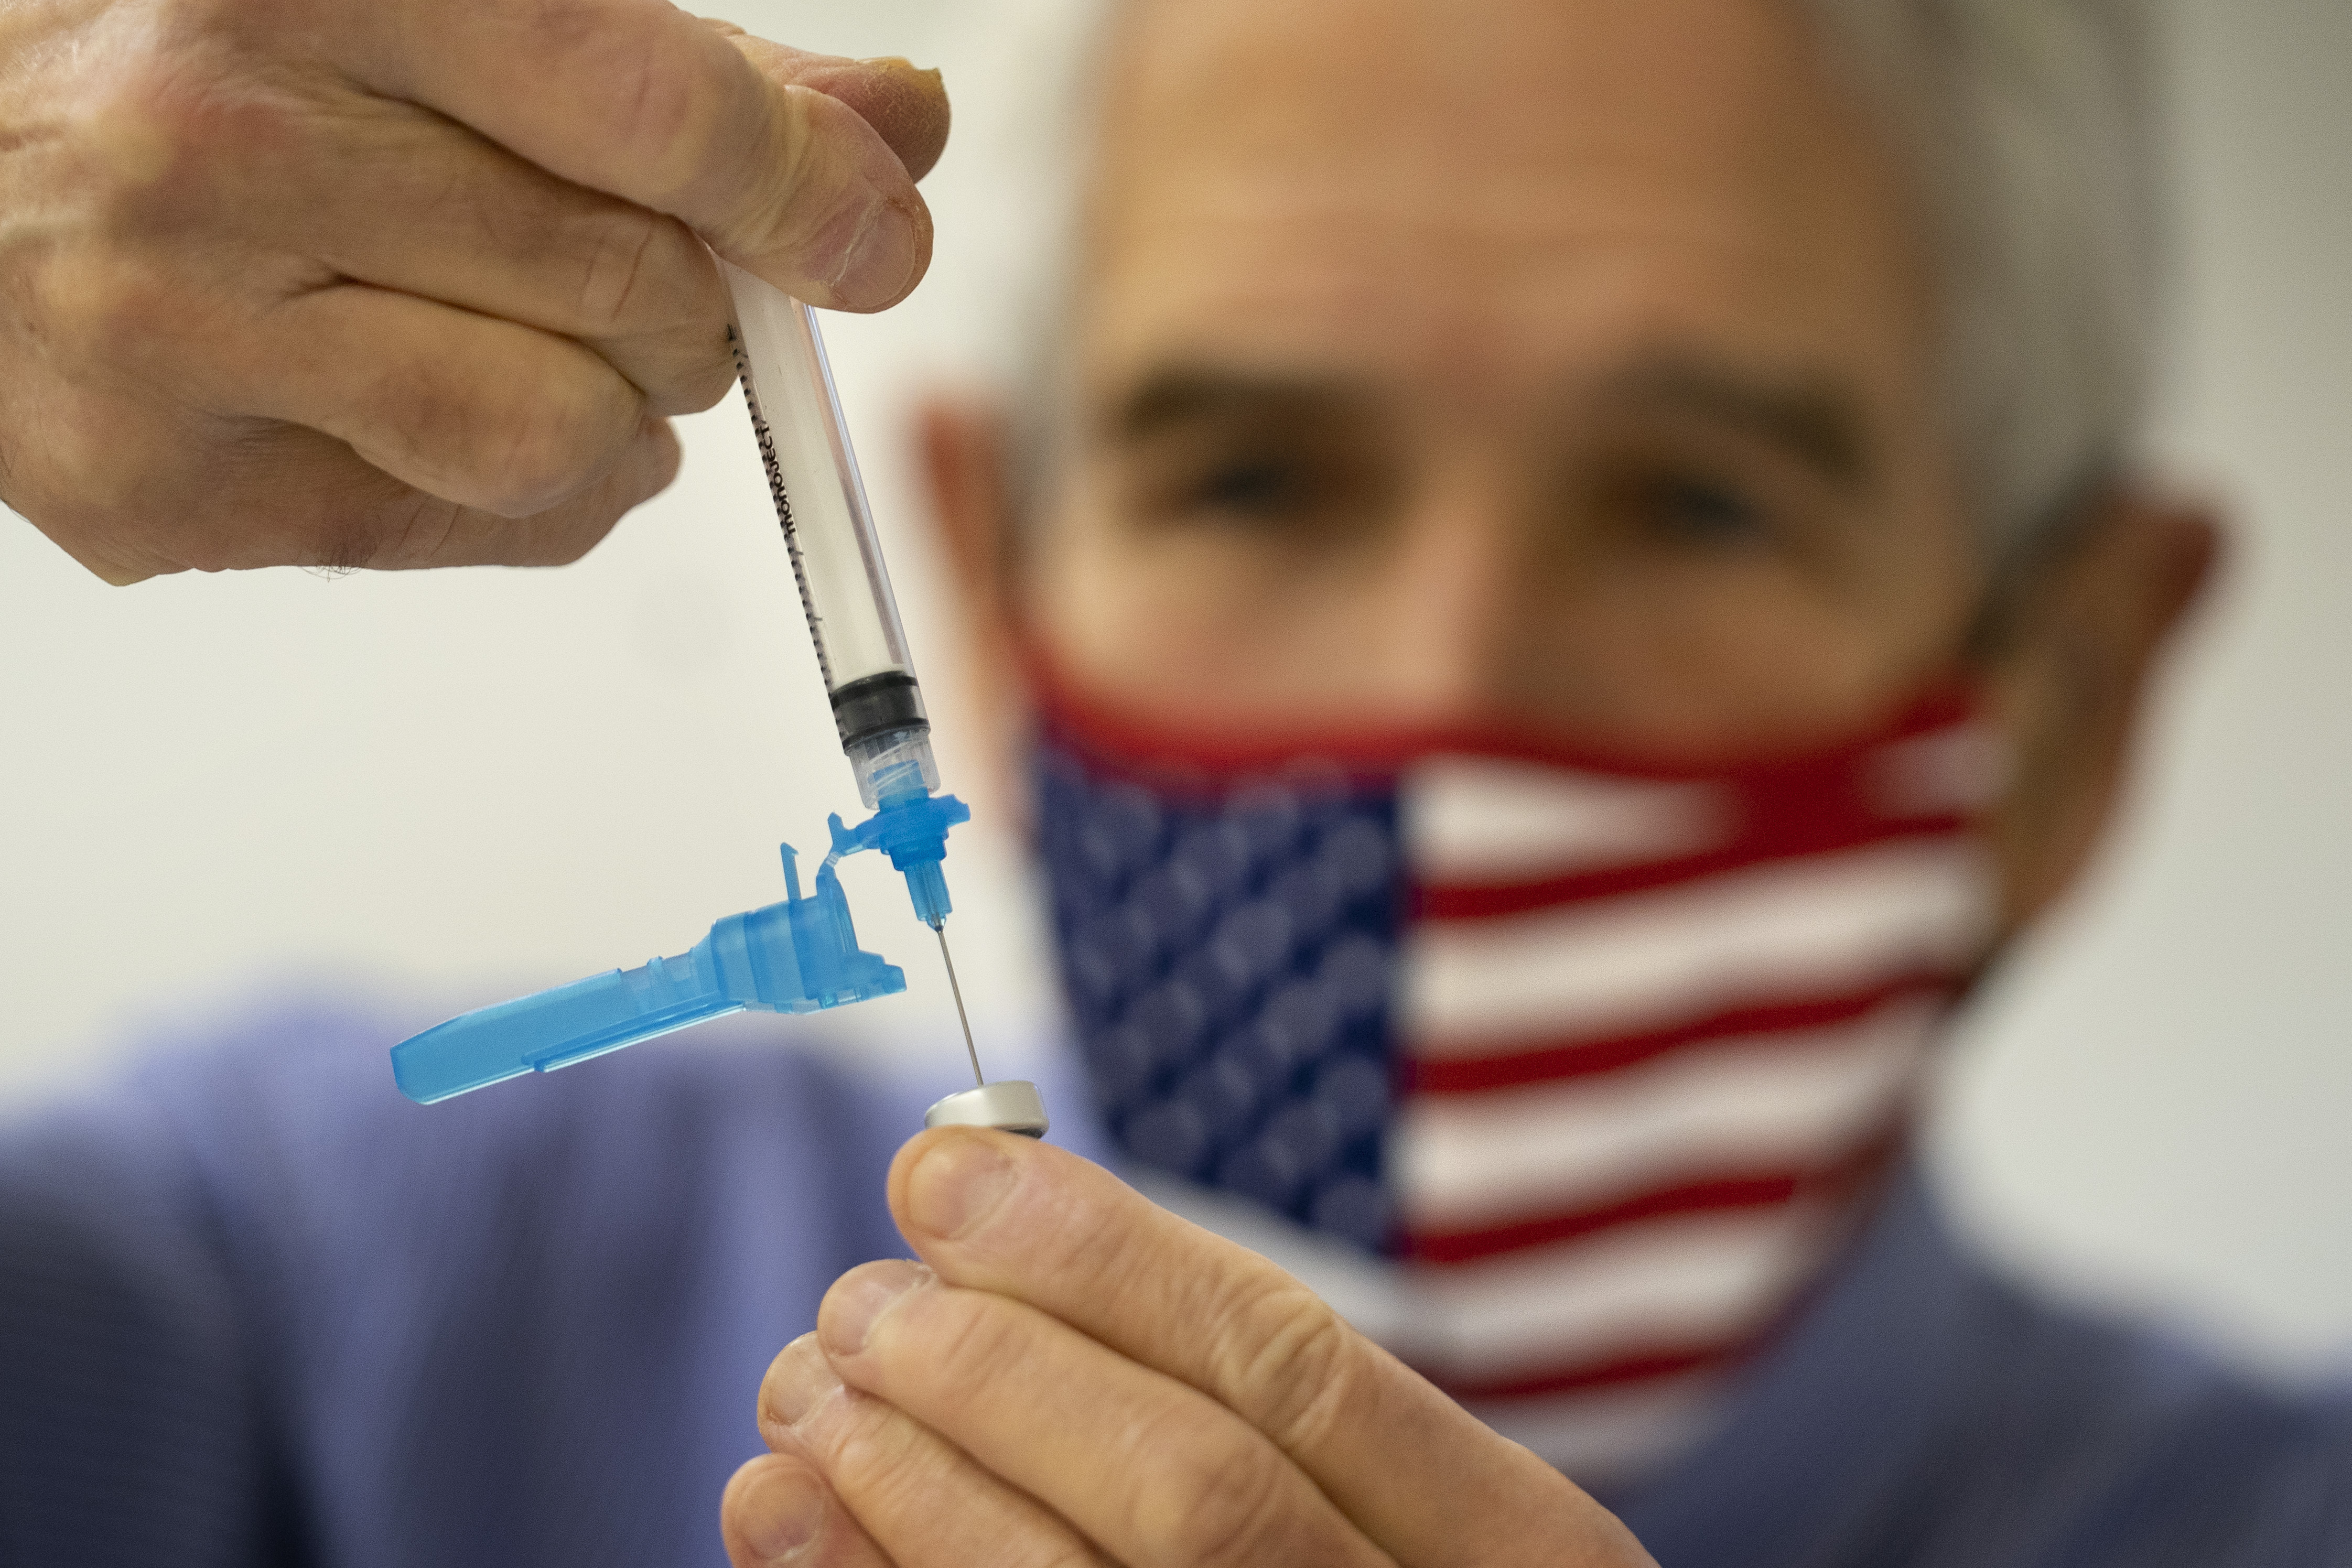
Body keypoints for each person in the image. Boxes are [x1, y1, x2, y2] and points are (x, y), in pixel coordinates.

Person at [1, 1, 2345, 1566]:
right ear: (1000, 610)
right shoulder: (334, 1301)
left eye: (1697, 503)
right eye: (1259, 480)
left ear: (2069, 696)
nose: (1447, 684)